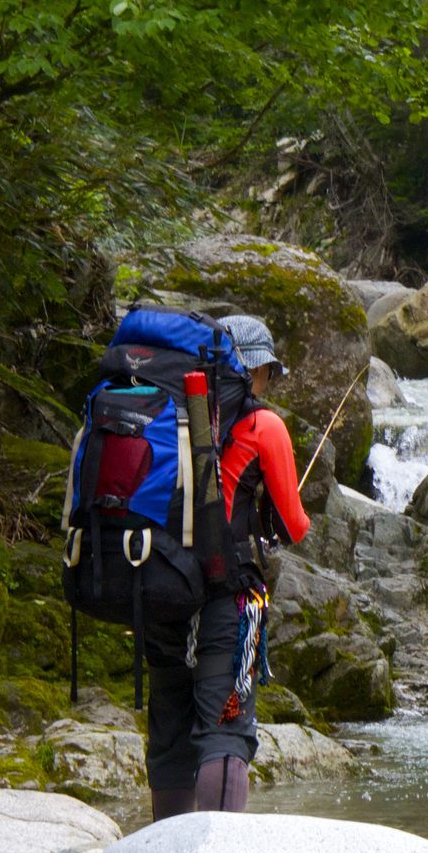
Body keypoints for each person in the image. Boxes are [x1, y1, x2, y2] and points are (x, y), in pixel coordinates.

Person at [146, 314, 311, 820]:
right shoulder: (263, 426)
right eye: (266, 372)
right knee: (226, 726)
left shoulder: (168, 414)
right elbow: (295, 526)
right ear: (252, 371)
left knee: (171, 725)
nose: (267, 383)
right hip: (227, 590)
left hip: (158, 580)